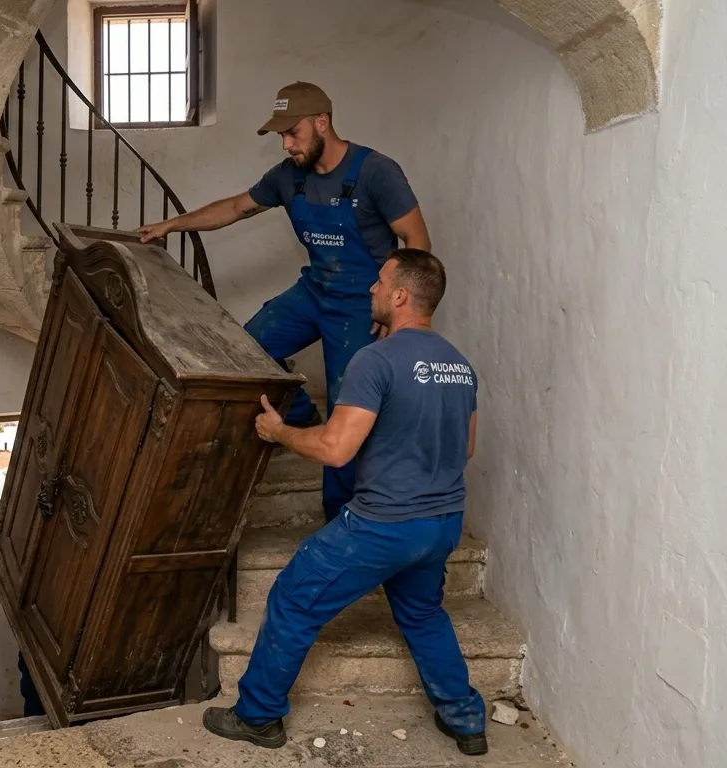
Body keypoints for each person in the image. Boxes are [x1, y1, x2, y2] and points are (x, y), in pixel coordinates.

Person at [200, 249, 489, 756]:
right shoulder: (460, 366)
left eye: (380, 282)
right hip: (442, 522)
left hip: (383, 525)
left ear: (400, 296)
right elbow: (465, 448)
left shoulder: (375, 359)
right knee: (423, 614)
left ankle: (257, 716)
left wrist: (279, 431)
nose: (371, 289)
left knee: (293, 598)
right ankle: (466, 721)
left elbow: (335, 450)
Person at [137, 81, 430, 525]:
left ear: (322, 122)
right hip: (315, 292)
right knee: (246, 351)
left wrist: (398, 314)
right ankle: (300, 412)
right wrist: (173, 225)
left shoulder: (377, 172)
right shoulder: (287, 177)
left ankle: (340, 518)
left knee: (347, 407)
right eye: (281, 136)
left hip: (362, 305)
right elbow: (235, 207)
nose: (287, 144)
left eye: (293, 133)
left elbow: (418, 242)